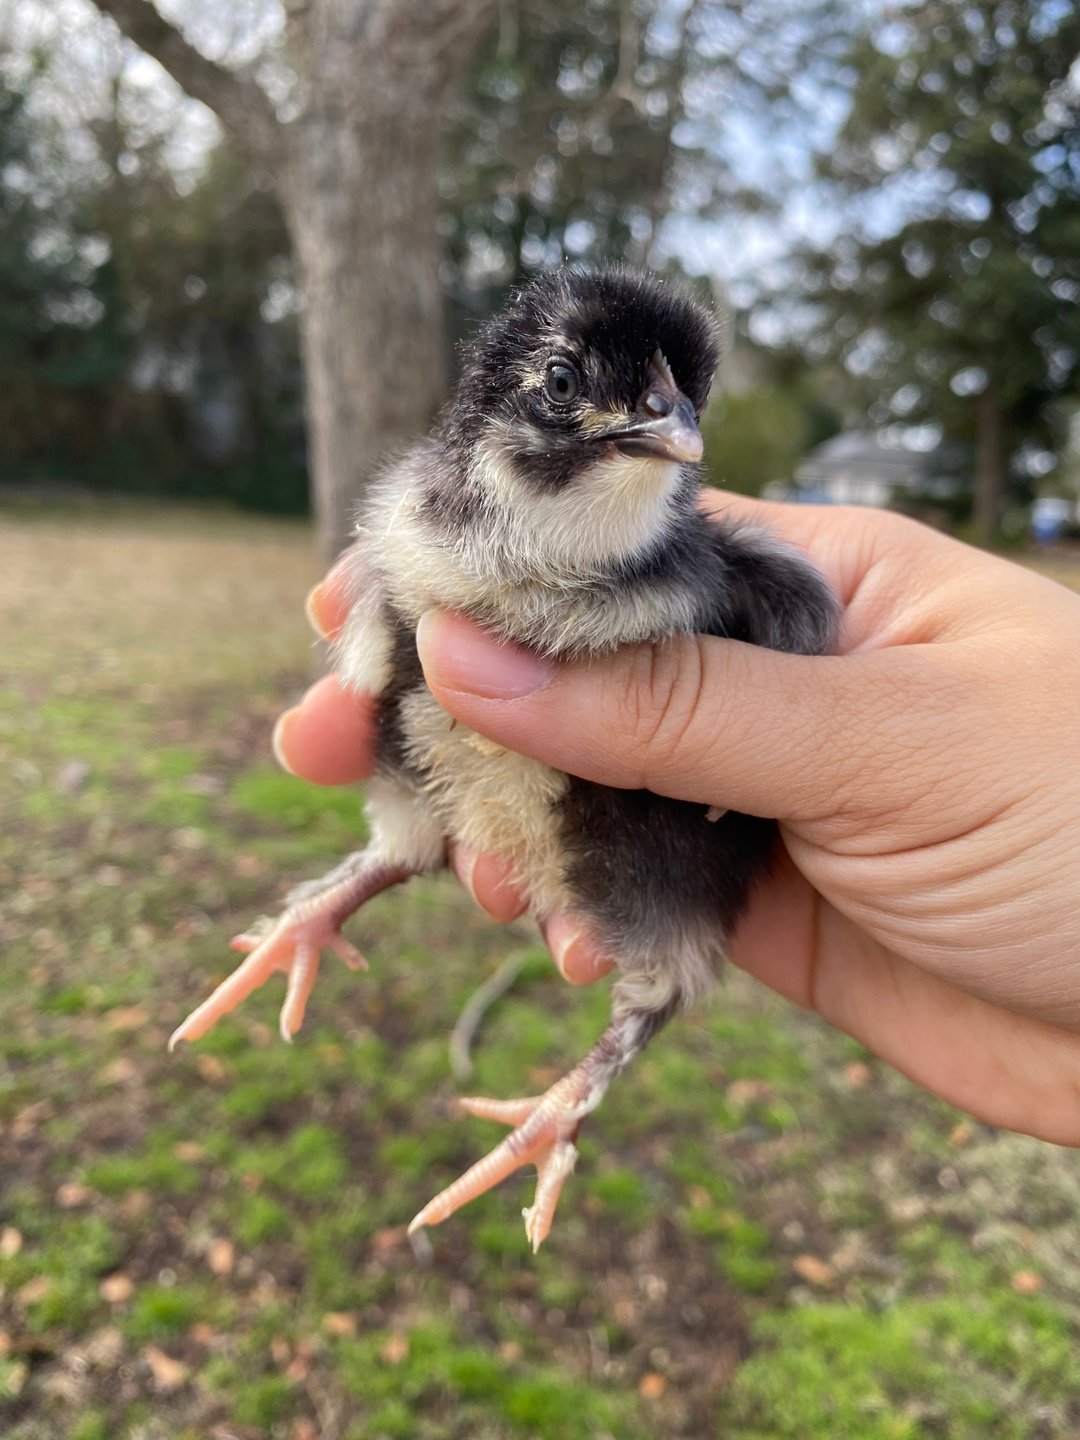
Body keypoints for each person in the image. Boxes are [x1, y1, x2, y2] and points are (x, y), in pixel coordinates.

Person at [272, 494, 1080, 1145]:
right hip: (465, 780)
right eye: (568, 388)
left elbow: (800, 612)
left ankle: (573, 1097)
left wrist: (749, 724)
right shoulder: (418, 530)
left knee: (658, 956)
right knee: (422, 823)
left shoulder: (710, 569)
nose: (668, 418)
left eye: (680, 398)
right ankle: (330, 903)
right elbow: (369, 653)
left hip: (665, 850)